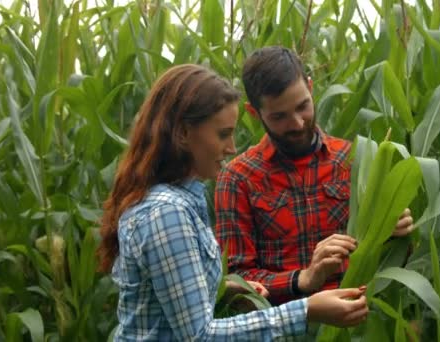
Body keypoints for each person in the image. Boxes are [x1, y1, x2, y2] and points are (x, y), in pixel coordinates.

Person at [96, 64, 369, 341]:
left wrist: (223, 287)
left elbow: (169, 299)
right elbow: (199, 336)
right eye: (223, 134)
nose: (231, 147)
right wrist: (306, 310)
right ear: (183, 133)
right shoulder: (167, 212)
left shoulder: (176, 202)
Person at [214, 46, 414, 305]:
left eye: (303, 107)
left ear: (310, 88)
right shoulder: (237, 179)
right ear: (254, 113)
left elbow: (386, 255)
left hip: (359, 321)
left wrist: (393, 228)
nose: (297, 123)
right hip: (284, 327)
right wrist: (304, 279)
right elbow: (237, 278)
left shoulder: (355, 159)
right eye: (279, 116)